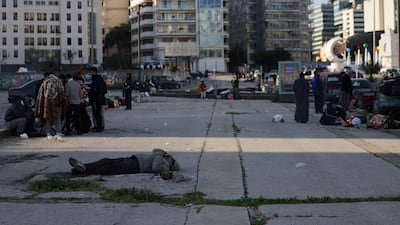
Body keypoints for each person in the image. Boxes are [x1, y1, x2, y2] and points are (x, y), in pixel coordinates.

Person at [68, 148, 180, 179]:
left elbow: (156, 168)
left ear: (171, 162)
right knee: (107, 161)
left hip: (135, 166)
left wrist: (162, 156)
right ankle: (84, 167)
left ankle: (85, 169)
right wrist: (163, 152)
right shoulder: (161, 155)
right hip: (133, 160)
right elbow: (155, 150)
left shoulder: (164, 164)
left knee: (109, 167)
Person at [36, 72, 66, 139]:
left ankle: (48, 133)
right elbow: (62, 93)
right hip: (58, 103)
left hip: (48, 102)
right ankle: (58, 132)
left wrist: (40, 104)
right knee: (57, 118)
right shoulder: (59, 82)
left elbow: (40, 94)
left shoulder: (45, 82)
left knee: (48, 118)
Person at [88, 67, 107, 132]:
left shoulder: (97, 79)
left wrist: (98, 96)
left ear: (94, 72)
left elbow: (99, 89)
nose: (90, 73)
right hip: (96, 99)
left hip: (97, 99)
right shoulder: (95, 79)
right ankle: (97, 126)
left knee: (97, 113)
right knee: (95, 113)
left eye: (91, 72)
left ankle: (99, 126)